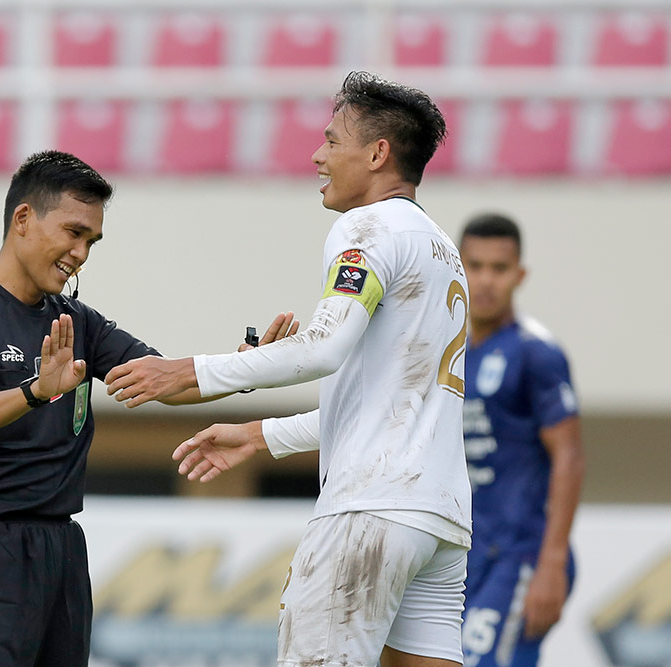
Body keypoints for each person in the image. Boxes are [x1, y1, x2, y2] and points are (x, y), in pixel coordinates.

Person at [104, 72, 473, 667]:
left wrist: (190, 372)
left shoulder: (367, 227)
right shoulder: (440, 247)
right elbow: (378, 400)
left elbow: (322, 348)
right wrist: (256, 435)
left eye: (332, 141)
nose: (317, 155)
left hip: (370, 508)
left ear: (377, 154)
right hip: (440, 517)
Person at [0, 150, 295, 666]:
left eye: (91, 241)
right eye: (73, 232)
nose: (81, 253)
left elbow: (165, 380)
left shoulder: (78, 321)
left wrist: (247, 370)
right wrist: (35, 390)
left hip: (61, 547)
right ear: (23, 219)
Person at [456, 214, 585, 667]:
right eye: (475, 266)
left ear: (520, 275)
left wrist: (550, 563)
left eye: (499, 268)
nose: (486, 280)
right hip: (469, 555)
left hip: (523, 554)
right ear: (458, 268)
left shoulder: (536, 352)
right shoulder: (452, 355)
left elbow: (569, 454)